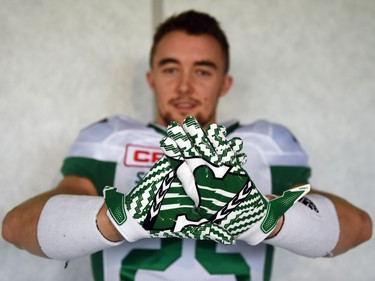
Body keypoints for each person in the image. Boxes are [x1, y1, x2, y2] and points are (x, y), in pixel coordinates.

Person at [2, 10, 372, 281]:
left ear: (225, 84)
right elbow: (16, 227)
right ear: (151, 78)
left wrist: (263, 216)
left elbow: (358, 228)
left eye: (203, 71)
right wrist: (124, 216)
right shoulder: (110, 137)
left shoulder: (267, 142)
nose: (184, 87)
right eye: (170, 68)